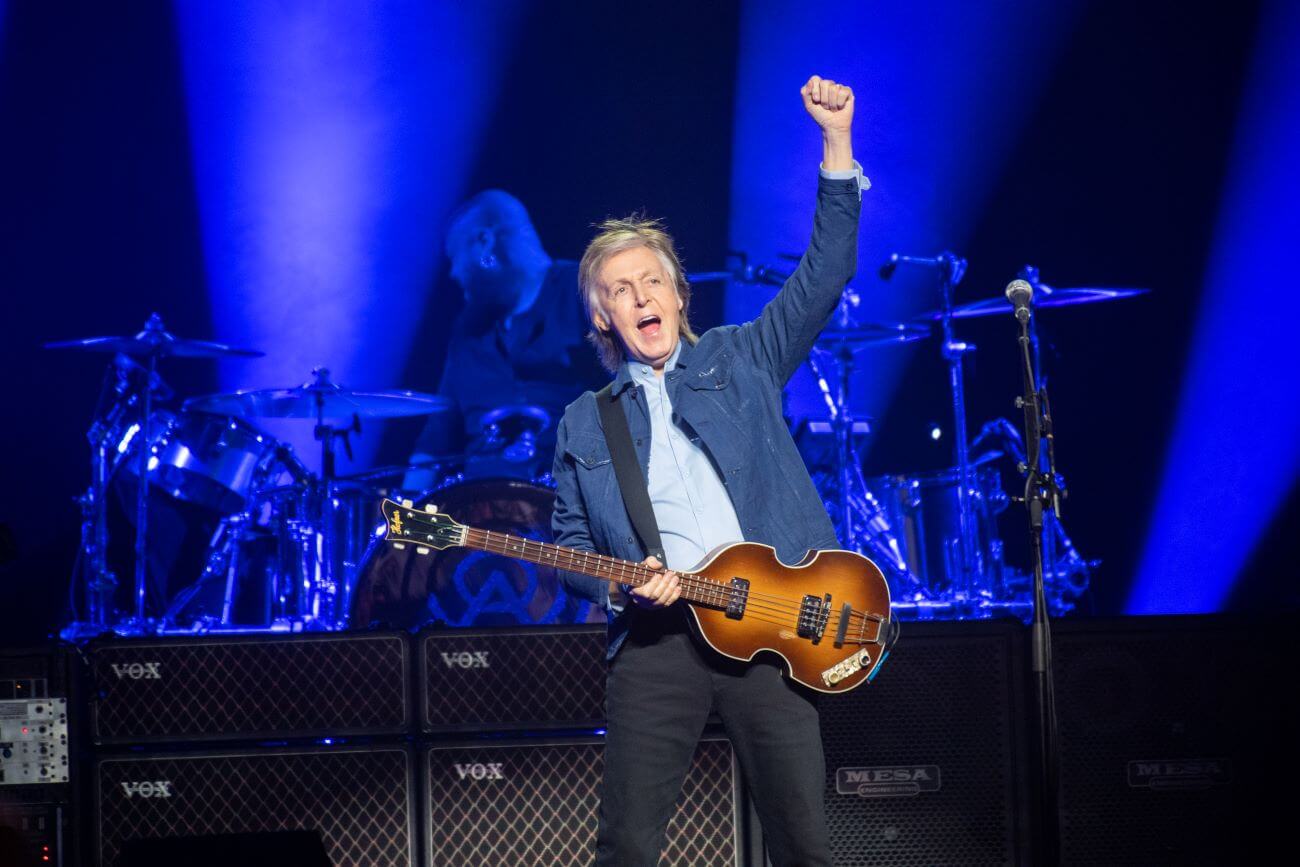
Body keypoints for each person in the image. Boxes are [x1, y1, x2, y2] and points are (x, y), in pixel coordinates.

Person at [551, 75, 867, 866]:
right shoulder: (587, 421)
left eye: (650, 279)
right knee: (626, 846)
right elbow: (568, 543)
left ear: (678, 293)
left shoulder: (741, 358)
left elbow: (822, 277)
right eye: (619, 290)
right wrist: (622, 581)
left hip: (770, 627)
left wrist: (835, 144)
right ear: (604, 317)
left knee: (802, 843)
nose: (640, 296)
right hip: (659, 644)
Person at [404, 190, 607, 489]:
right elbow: (436, 439)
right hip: (479, 514)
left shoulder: (585, 292)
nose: (453, 273)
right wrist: (401, 517)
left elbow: (638, 405)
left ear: (485, 242)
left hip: (572, 504)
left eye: (455, 257)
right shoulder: (468, 330)